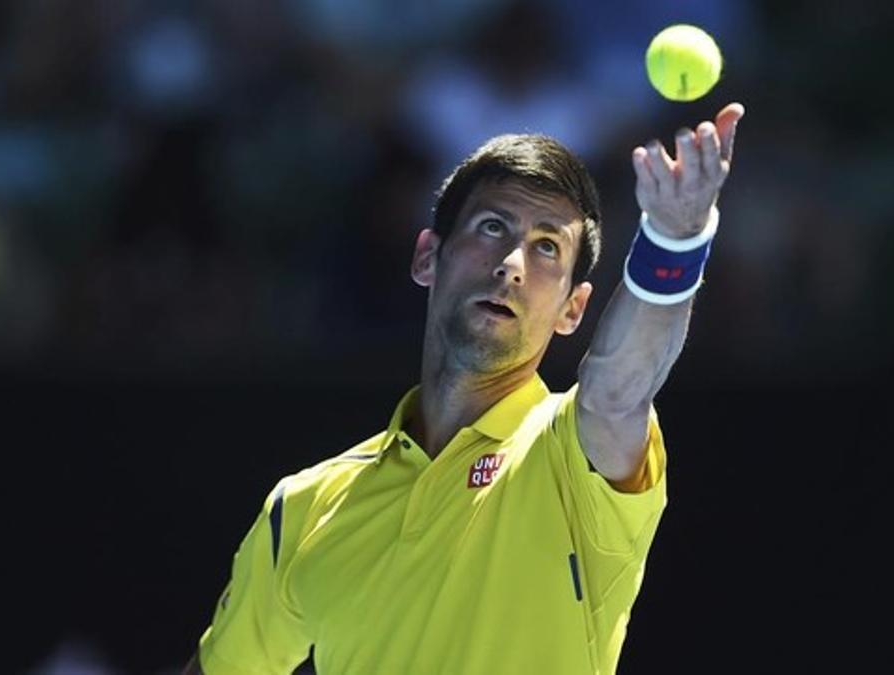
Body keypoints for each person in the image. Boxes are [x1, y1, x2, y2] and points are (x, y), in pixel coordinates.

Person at [185, 102, 746, 675]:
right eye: (492, 227)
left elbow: (619, 389)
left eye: (547, 246)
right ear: (428, 255)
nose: (511, 264)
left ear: (573, 309)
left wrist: (675, 239)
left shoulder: (575, 455)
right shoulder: (302, 508)